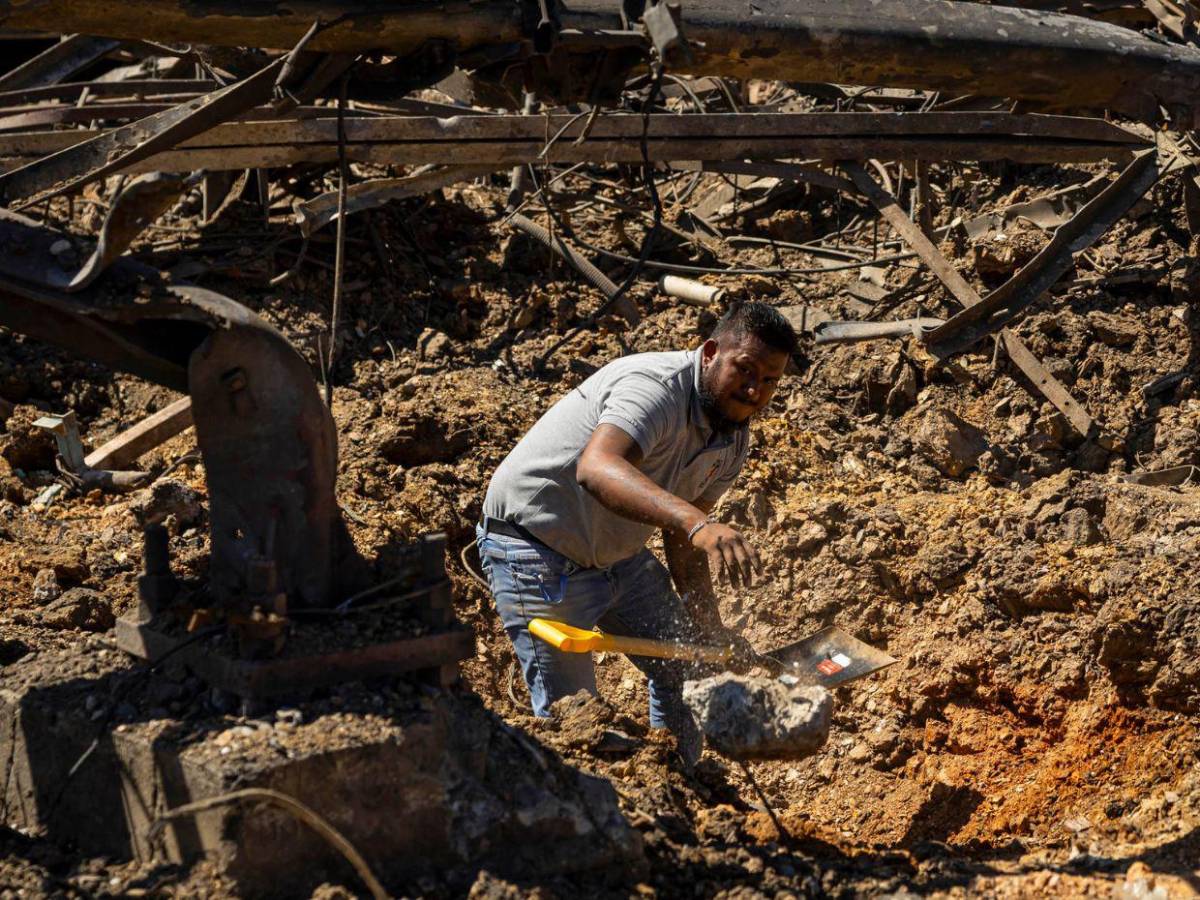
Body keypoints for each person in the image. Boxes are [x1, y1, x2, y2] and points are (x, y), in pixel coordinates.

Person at [476, 301, 797, 757]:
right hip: (536, 551)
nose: (753, 390)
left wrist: (709, 629)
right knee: (576, 721)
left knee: (689, 667)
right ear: (710, 353)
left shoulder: (732, 436)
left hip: (619, 557)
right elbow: (598, 467)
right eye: (744, 370)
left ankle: (682, 791)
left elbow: (684, 545)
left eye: (770, 381)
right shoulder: (654, 388)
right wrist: (696, 521)